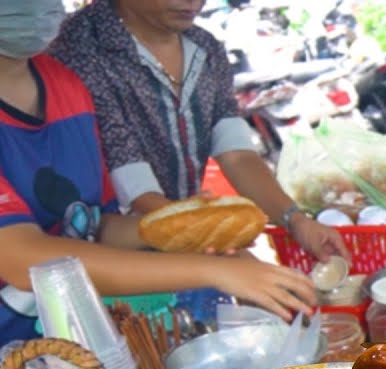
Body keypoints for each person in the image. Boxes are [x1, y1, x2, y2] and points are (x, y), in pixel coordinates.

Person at [1, 1, 315, 346]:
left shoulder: (65, 85)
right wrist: (215, 270)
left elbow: (93, 225)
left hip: (79, 340)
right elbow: (21, 259)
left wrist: (182, 227)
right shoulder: (80, 51)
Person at [48, 0, 345, 263]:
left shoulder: (205, 47)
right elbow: (129, 174)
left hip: (182, 237)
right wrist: (207, 236)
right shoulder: (80, 49)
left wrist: (296, 220)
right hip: (106, 252)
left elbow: (237, 154)